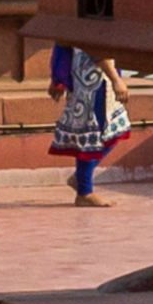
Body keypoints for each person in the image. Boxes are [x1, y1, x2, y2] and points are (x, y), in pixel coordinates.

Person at [46, 39, 129, 206]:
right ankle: (84, 191)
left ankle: (82, 178)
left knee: (116, 128)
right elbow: (96, 48)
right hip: (93, 81)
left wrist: (58, 77)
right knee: (92, 134)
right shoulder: (88, 25)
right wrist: (116, 79)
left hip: (88, 79)